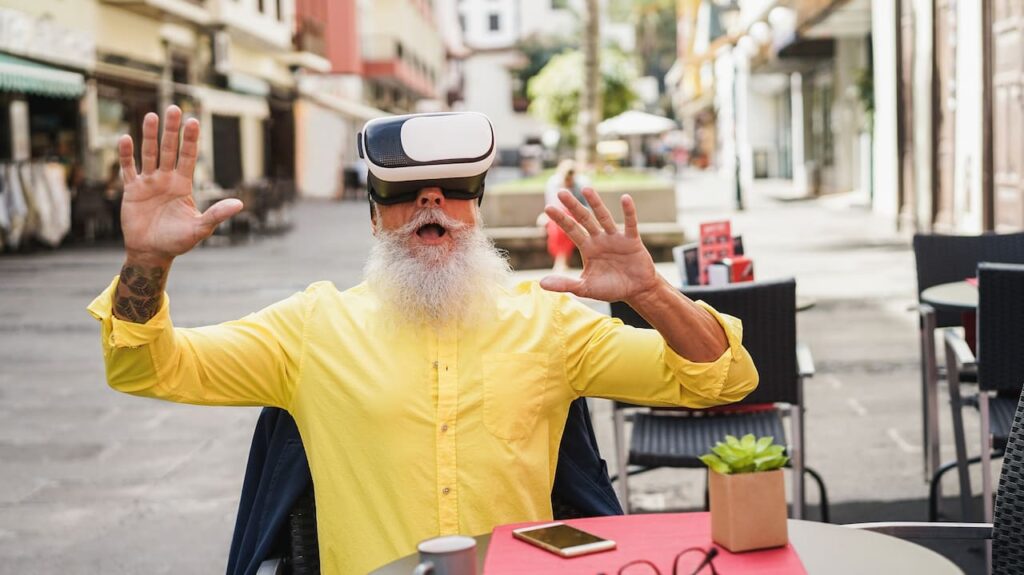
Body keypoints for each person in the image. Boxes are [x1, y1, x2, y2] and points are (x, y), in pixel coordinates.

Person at [88, 107, 758, 574]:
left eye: (455, 186)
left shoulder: (550, 321)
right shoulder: (313, 329)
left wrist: (650, 294)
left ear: (477, 207)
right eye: (405, 190)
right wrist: (148, 261)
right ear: (376, 213)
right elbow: (148, 366)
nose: (431, 199)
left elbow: (720, 377)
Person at [542, 159, 589, 272]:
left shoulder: (582, 184)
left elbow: (586, 207)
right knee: (560, 223)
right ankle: (562, 260)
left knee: (567, 223)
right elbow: (551, 205)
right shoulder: (553, 183)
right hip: (557, 216)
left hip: (575, 217)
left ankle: (561, 260)